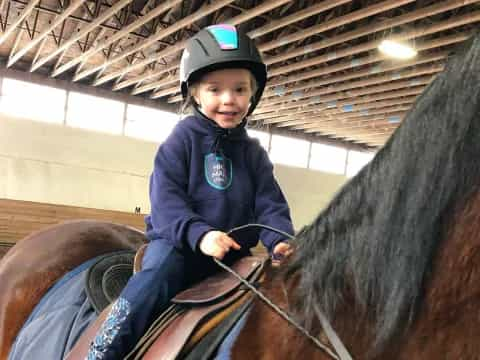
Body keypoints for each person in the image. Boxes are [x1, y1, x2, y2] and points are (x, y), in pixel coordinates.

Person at [86, 23, 294, 360]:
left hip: (235, 257)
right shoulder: (182, 140)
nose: (229, 99)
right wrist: (201, 235)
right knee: (153, 281)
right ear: (195, 93)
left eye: (240, 89)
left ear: (252, 94)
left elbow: (270, 204)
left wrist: (280, 240)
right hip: (179, 249)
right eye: (215, 89)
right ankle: (103, 349)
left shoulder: (254, 154)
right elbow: (167, 203)